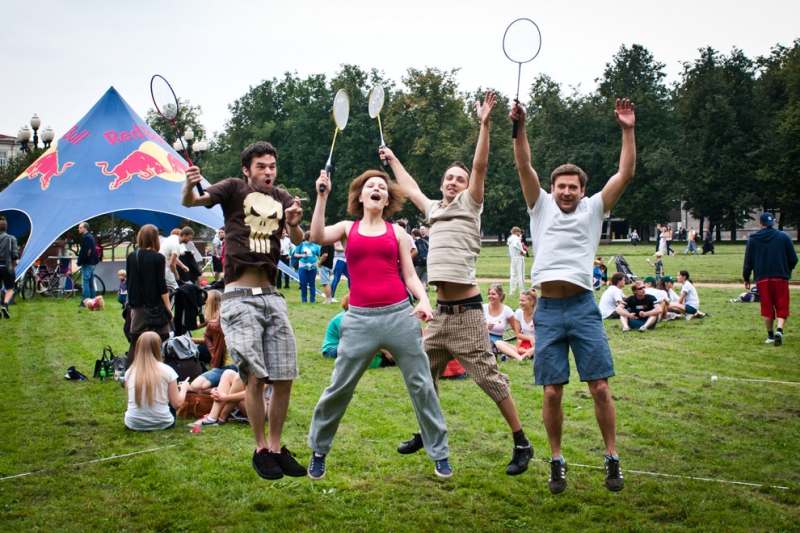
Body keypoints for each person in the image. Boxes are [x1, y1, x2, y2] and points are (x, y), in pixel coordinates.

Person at [381, 91, 534, 477]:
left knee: (488, 378)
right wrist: (393, 159)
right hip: (439, 315)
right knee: (421, 377)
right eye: (449, 178)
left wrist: (484, 125)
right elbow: (412, 187)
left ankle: (521, 442)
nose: (454, 182)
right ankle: (426, 431)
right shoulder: (434, 209)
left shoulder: (471, 203)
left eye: (460, 179)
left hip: (466, 312)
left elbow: (481, 166)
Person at [511, 96, 636, 493]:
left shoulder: (594, 208)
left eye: (573, 187)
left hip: (582, 307)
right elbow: (522, 163)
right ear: (552, 189)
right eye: (561, 186)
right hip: (548, 308)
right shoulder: (540, 206)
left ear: (583, 190)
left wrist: (628, 130)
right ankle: (557, 460)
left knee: (599, 386)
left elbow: (625, 173)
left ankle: (612, 457)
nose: (567, 192)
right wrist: (520, 126)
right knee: (551, 392)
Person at [306, 168, 451, 480]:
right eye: (370, 186)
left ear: (387, 199)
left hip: (400, 314)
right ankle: (319, 450)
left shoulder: (397, 233)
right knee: (339, 386)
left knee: (421, 384)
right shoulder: (347, 228)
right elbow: (317, 236)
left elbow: (410, 275)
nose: (376, 189)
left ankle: (439, 452)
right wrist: (321, 197)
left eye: (382, 187)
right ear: (361, 196)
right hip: (359, 320)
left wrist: (423, 300)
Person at [182, 140, 306, 480]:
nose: (268, 172)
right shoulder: (233, 189)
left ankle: (278, 448)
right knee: (256, 375)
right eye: (262, 166)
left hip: (272, 296)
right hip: (239, 297)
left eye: (272, 166)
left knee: (283, 376)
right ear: (247, 169)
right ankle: (261, 448)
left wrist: (294, 222)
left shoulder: (281, 197)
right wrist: (189, 182)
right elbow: (193, 200)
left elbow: (297, 238)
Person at [743, 212, 798, 346]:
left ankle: (770, 335)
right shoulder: (783, 236)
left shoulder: (753, 239)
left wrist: (746, 278)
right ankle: (780, 329)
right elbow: (794, 259)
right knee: (782, 304)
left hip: (762, 278)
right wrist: (787, 269)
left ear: (760, 224)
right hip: (780, 277)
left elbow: (748, 261)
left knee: (767, 306)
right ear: (772, 223)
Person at [126, 224, 173, 367]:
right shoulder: (158, 258)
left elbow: (130, 283)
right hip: (155, 306)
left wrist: (131, 305)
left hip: (138, 305)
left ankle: (131, 374)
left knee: (135, 341)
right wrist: (168, 307)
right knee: (158, 341)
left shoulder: (132, 257)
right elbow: (161, 285)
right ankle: (156, 371)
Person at [124, 331, 189, 431]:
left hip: (133, 424)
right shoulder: (168, 371)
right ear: (159, 347)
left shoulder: (129, 372)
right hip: (163, 423)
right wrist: (184, 388)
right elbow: (176, 404)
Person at [320, 294, 394, 366]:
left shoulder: (356, 317)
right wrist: (385, 351)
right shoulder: (342, 318)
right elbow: (358, 338)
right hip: (331, 351)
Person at [188, 290, 238, 391]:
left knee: (201, 350)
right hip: (221, 366)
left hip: (234, 367)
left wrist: (190, 339)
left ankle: (223, 390)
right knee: (195, 386)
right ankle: (221, 390)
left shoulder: (229, 323)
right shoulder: (215, 322)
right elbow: (206, 336)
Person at [494, 289, 537, 360]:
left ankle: (525, 354)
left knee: (539, 347)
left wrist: (532, 343)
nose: (520, 303)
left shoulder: (538, 314)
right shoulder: (518, 313)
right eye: (520, 300)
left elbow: (543, 336)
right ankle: (520, 357)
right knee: (498, 343)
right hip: (524, 344)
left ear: (531, 302)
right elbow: (517, 334)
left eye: (523, 301)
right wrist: (528, 340)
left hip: (536, 344)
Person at [483, 284, 518, 361]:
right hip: (483, 337)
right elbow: (474, 326)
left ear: (500, 296)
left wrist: (521, 343)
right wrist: (484, 326)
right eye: (489, 294)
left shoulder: (507, 310)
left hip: (497, 341)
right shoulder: (483, 308)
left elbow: (517, 329)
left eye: (493, 294)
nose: (490, 296)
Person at [0, 219, 20, 319]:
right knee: (9, 288)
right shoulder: (11, 238)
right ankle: (5, 305)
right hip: (7, 267)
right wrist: (16, 262)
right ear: (6, 228)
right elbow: (15, 254)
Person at [77, 221, 99, 307]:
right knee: (90, 282)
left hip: (88, 263)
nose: (78, 229)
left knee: (85, 282)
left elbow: (88, 251)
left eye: (80, 227)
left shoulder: (87, 237)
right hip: (91, 262)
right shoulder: (90, 237)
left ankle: (85, 301)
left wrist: (82, 261)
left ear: (85, 228)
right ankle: (93, 301)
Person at [294, 231, 320, 303]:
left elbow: (319, 254)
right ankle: (304, 299)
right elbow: (295, 255)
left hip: (313, 266)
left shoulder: (315, 246)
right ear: (308, 237)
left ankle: (312, 299)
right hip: (303, 266)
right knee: (303, 283)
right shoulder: (301, 244)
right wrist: (302, 255)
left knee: (312, 283)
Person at [507, 227, 526, 295]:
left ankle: (511, 291)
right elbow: (515, 245)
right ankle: (522, 291)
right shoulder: (516, 238)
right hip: (519, 258)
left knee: (513, 275)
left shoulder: (510, 238)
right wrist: (522, 251)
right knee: (521, 275)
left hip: (513, 258)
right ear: (517, 232)